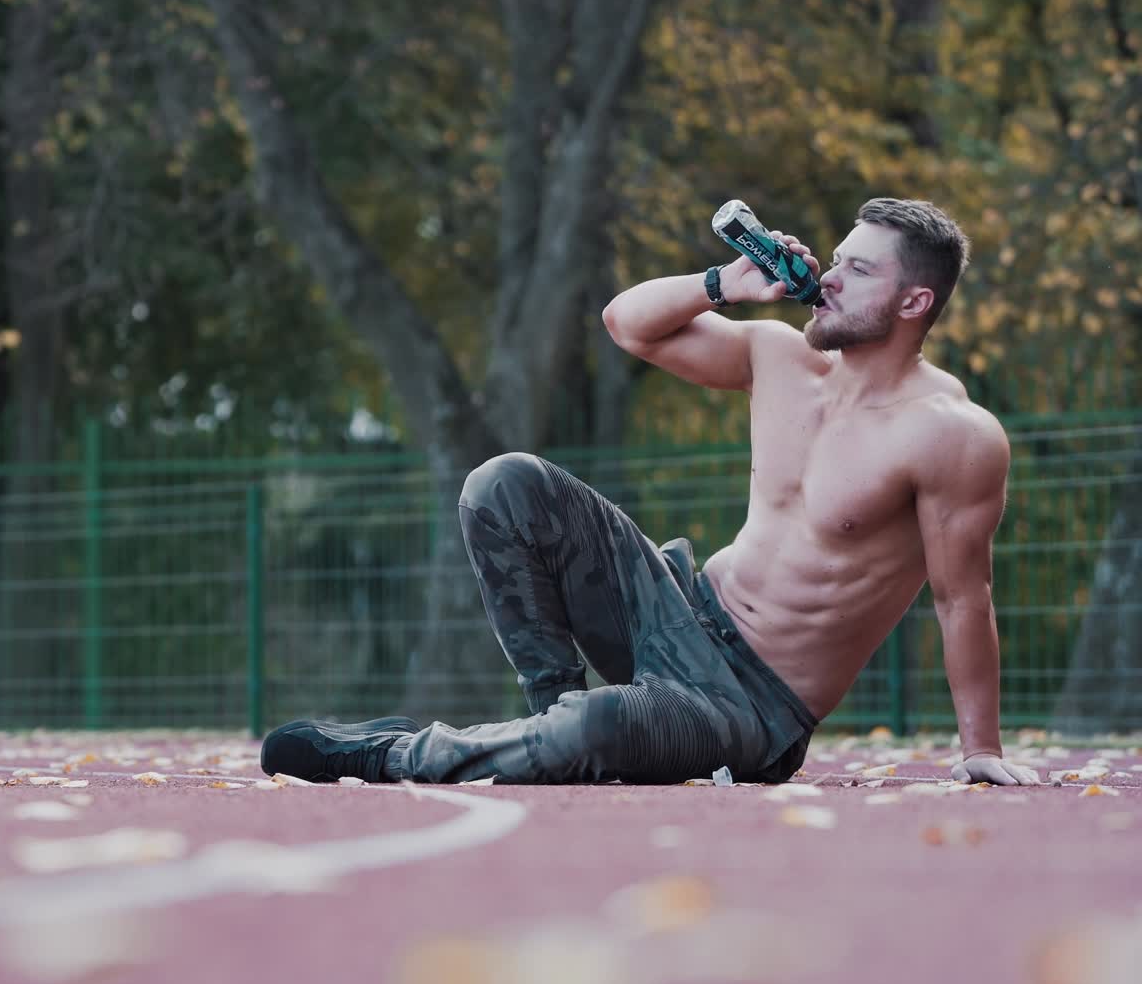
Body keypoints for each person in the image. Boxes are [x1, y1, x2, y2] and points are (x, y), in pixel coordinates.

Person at [262, 197, 1040, 788]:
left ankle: (399, 753)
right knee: (502, 485)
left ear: (915, 303)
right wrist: (723, 282)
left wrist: (981, 751)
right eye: (836, 258)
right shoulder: (778, 356)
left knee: (598, 728)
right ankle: (544, 725)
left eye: (859, 270)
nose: (829, 277)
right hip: (675, 608)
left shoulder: (953, 435)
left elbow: (962, 598)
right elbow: (628, 324)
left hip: (746, 708)